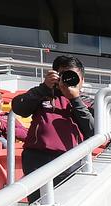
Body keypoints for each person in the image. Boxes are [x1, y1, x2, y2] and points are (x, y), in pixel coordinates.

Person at [11, 55, 94, 190]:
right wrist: (44, 87)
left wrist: (75, 100)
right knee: (37, 203)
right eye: (63, 75)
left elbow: (94, 130)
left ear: (82, 80)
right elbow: (18, 107)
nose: (68, 79)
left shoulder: (87, 102)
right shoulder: (42, 93)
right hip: (36, 159)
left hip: (70, 161)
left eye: (73, 76)